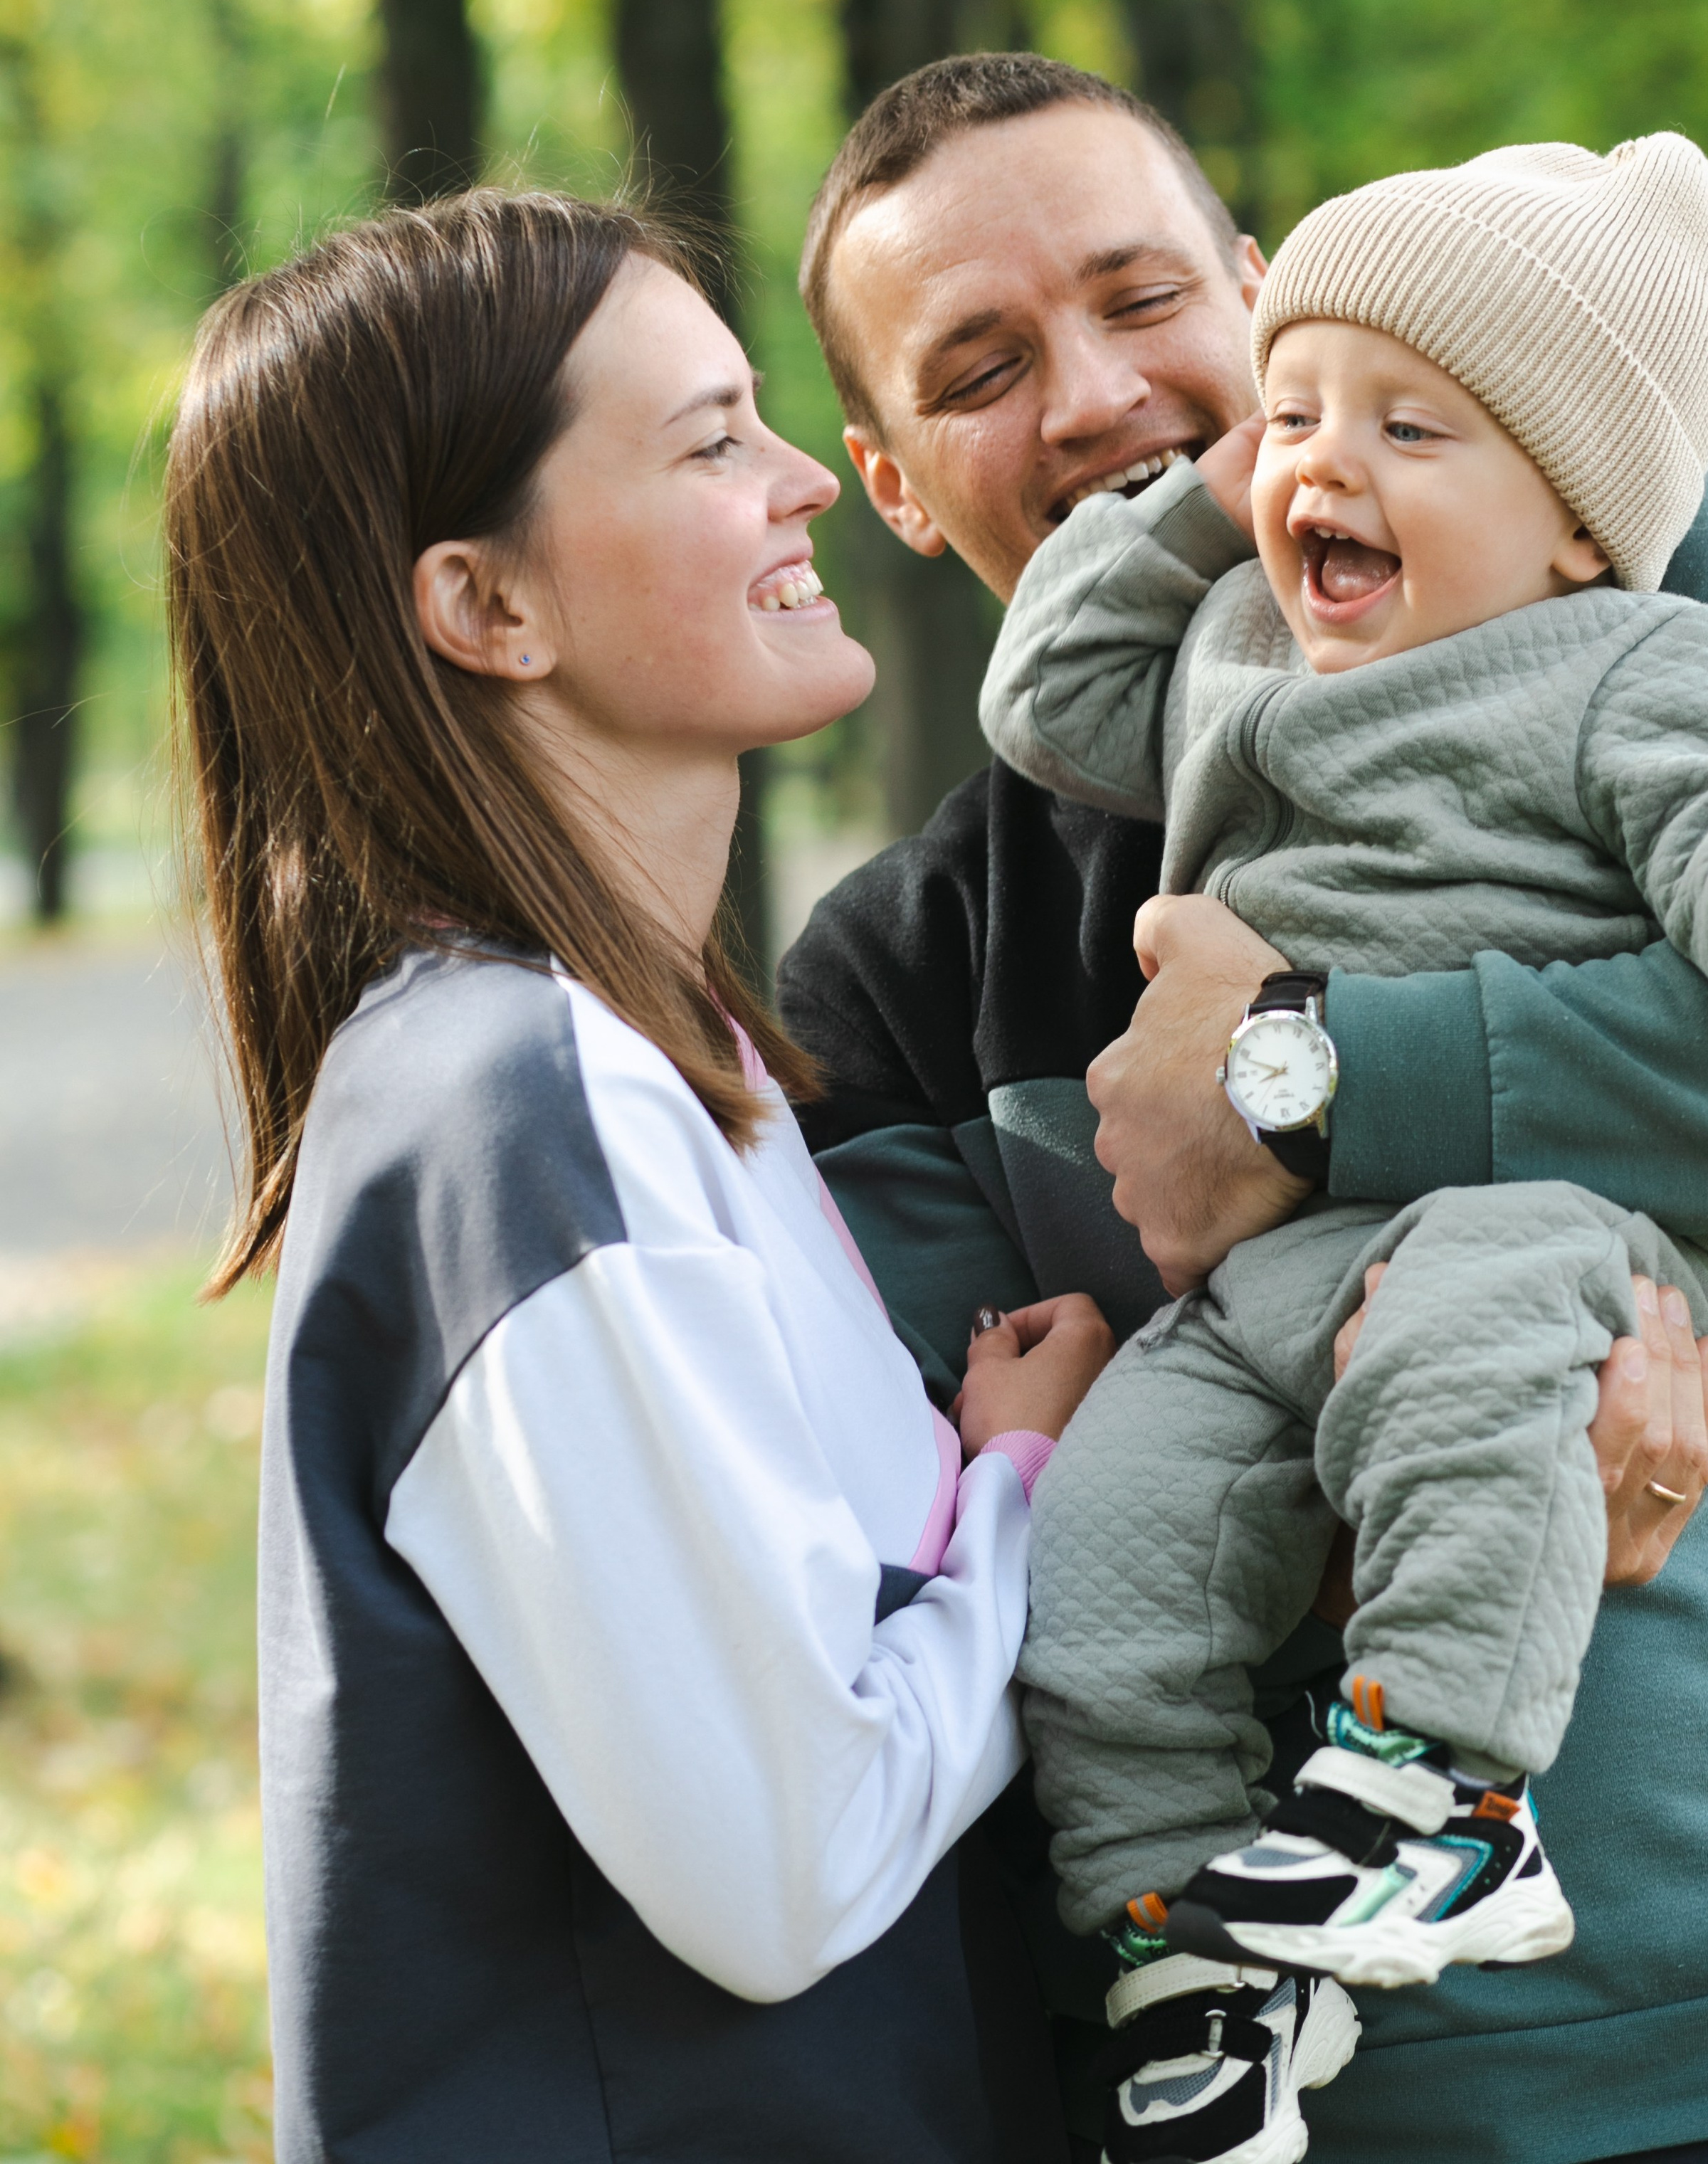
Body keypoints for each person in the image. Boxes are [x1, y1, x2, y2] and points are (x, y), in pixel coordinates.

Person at [778, 53, 1708, 2164]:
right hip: (1298, 2090)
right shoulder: (895, 975)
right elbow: (995, 1531)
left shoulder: (1663, 561)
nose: (1085, 398)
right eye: (979, 367)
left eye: (1144, 296)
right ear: (892, 484)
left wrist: (1302, 1081)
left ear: (1255, 284)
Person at [163, 187, 1117, 2164]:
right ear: (484, 608)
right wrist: (1021, 1489)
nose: (804, 486)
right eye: (709, 444)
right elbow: (788, 1859)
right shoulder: (517, 1105)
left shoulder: (674, 1069)